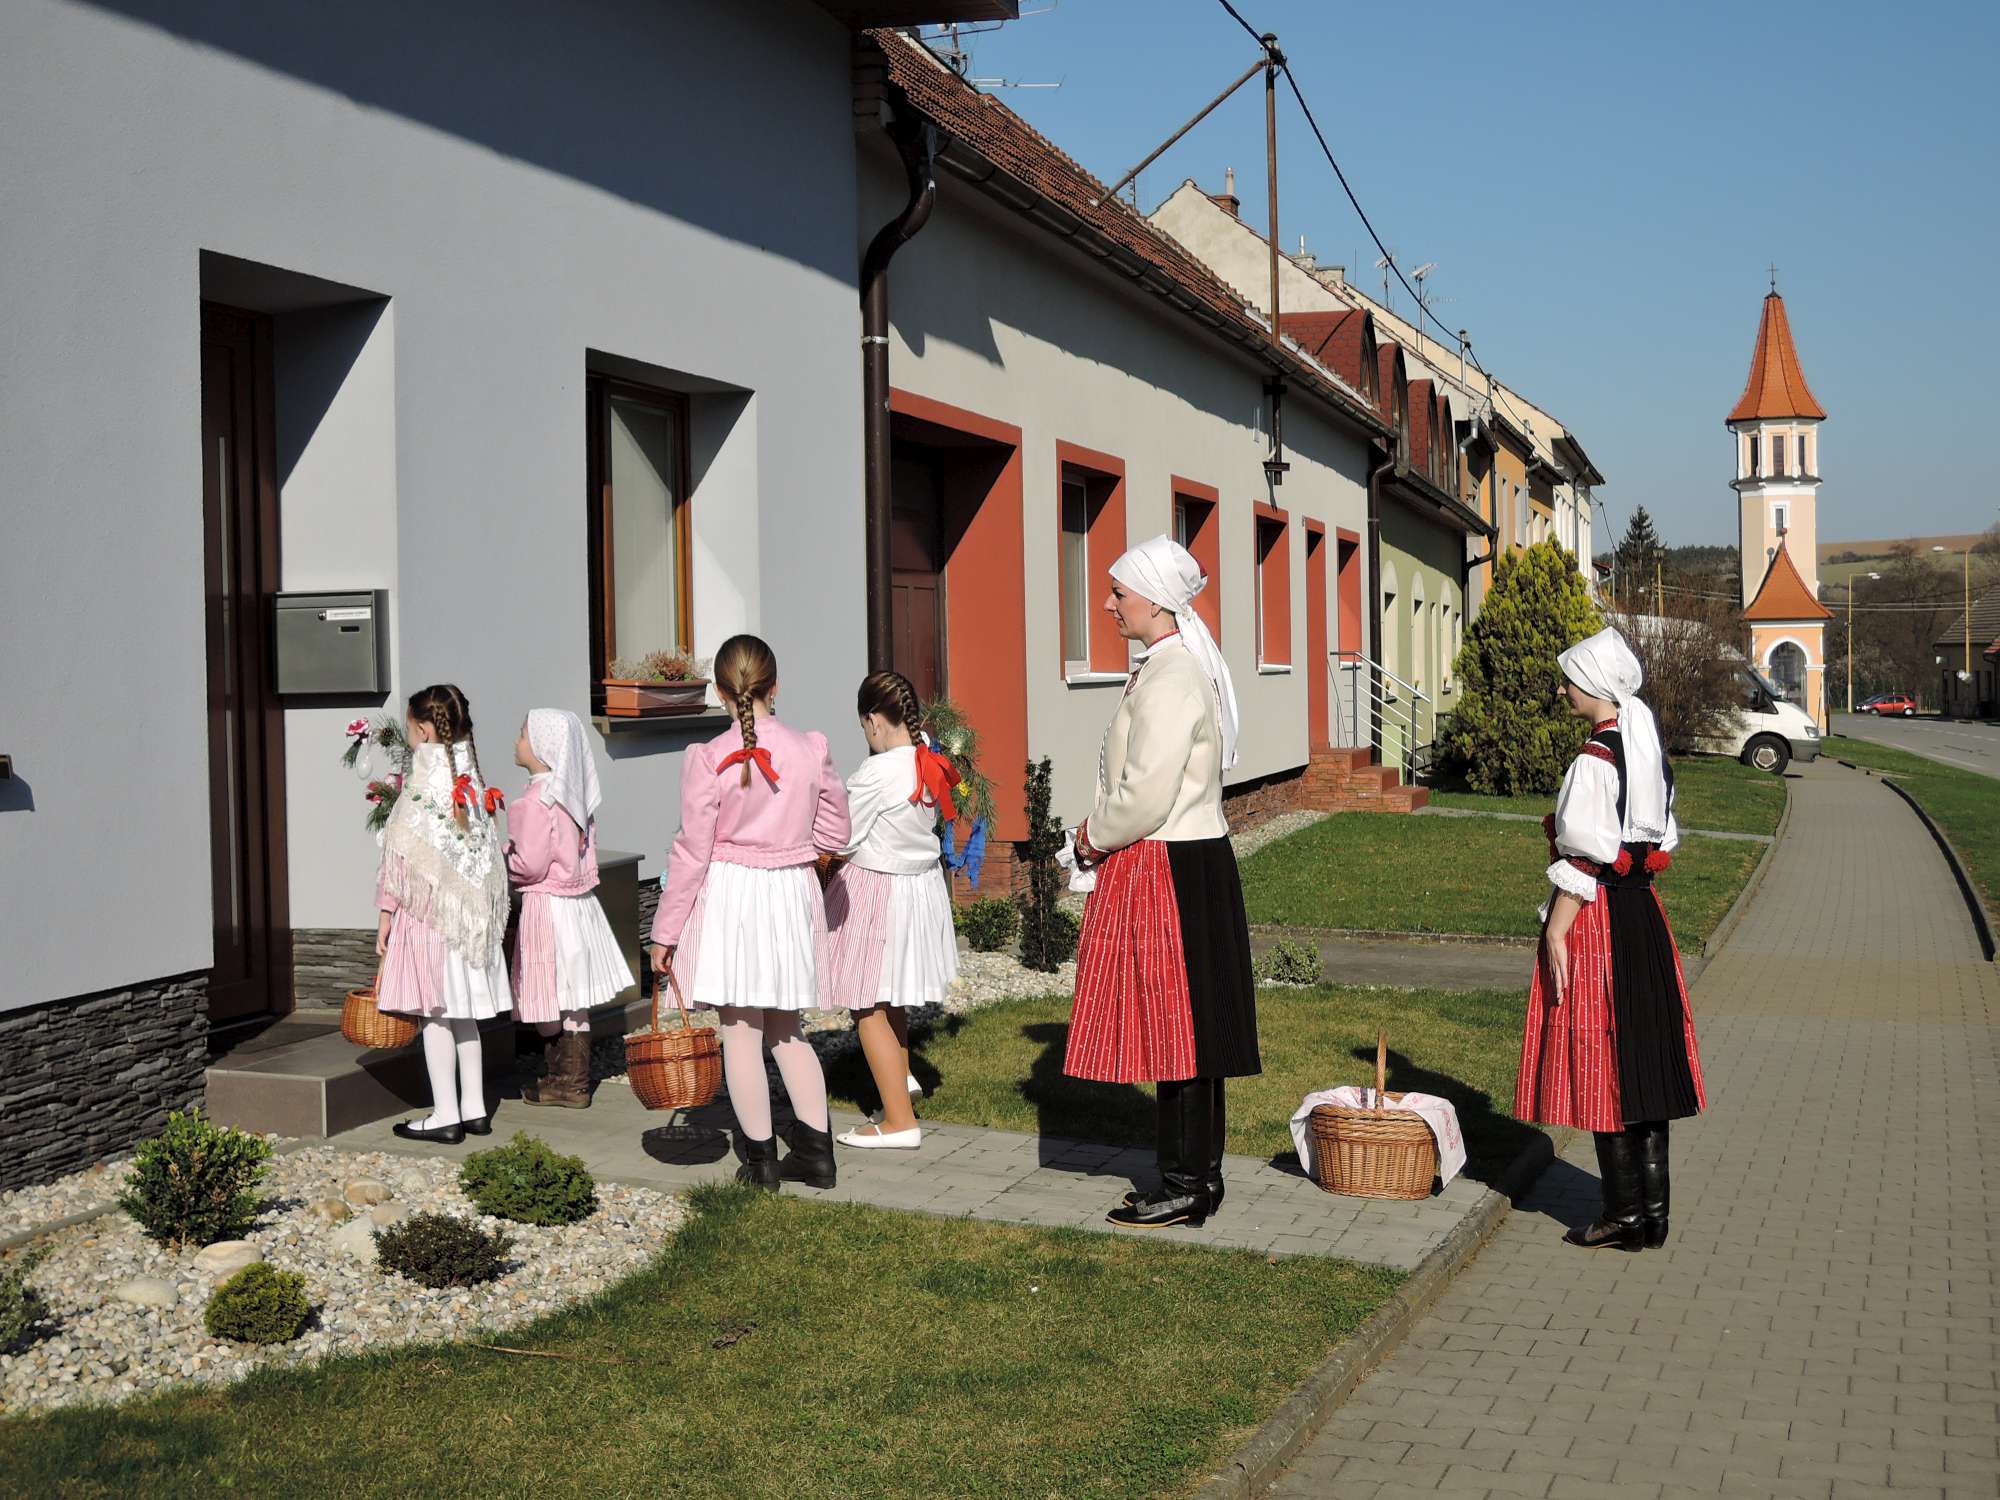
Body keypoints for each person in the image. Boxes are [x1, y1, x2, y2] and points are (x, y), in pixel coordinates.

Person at [1067, 535, 1259, 1229]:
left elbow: (1146, 792)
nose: (1108, 604)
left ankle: (1186, 1183)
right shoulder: (1170, 668)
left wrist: (1091, 836)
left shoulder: (1173, 677)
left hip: (1169, 861)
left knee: (1178, 1028)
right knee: (1189, 1028)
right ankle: (1195, 1177)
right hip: (1185, 859)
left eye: (1119, 593)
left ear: (1154, 600)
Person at [1514, 626, 1707, 1250]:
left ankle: (1623, 1215)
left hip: (1599, 919)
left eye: (1569, 681)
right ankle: (1653, 1215)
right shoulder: (1647, 750)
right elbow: (1660, 840)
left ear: (1594, 686)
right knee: (1643, 1060)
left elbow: (1586, 856)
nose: (1563, 690)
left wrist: (1556, 931)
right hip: (1644, 915)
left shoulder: (1595, 760)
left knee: (1605, 1061)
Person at [648, 635, 851, 1190]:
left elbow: (691, 852)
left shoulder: (707, 757)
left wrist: (665, 932)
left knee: (739, 1031)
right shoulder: (810, 748)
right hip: (789, 891)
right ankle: (817, 1154)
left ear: (719, 692)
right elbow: (837, 831)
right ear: (775, 686)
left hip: (733, 895)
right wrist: (796, 847)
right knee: (788, 1029)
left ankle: (760, 1163)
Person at [823, 671, 961, 1149]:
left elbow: (842, 837)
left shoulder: (877, 773)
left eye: (864, 726)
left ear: (874, 721)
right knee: (890, 996)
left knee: (866, 1004)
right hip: (917, 888)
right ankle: (899, 1084)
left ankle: (900, 1122)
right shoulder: (927, 760)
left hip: (877, 892)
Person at [375, 683, 512, 1144]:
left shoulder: (422, 783)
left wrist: (386, 914)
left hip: (429, 919)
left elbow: (400, 857)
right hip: (468, 921)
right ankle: (474, 1108)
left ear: (423, 729)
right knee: (464, 1015)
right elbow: (483, 853)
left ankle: (445, 1114)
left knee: (434, 1015)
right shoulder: (470, 780)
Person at [506, 708, 634, 1109]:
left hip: (546, 906)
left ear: (543, 748)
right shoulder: (573, 799)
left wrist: (505, 857)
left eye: (523, 735)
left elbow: (529, 864)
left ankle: (562, 1078)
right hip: (577, 905)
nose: (516, 741)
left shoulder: (533, 802)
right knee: (572, 992)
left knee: (546, 990)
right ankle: (575, 1081)